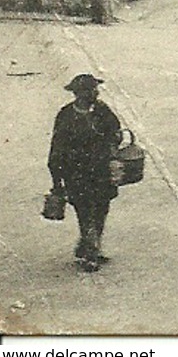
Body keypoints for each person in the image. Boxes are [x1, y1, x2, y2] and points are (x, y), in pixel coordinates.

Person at [48, 74, 122, 271]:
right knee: (85, 210)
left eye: (95, 89)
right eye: (90, 90)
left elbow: (115, 130)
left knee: (101, 209)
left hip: (101, 171)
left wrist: (113, 144)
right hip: (76, 173)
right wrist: (57, 180)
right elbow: (57, 148)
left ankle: (88, 245)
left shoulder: (102, 111)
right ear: (79, 94)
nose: (95, 93)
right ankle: (90, 252)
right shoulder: (65, 116)